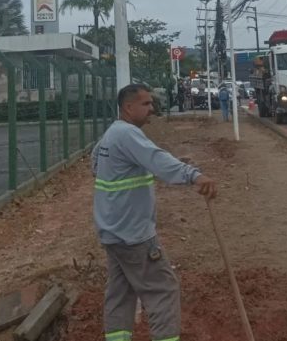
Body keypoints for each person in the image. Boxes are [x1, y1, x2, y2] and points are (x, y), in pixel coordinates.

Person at [91, 84, 217, 341]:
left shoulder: (111, 134)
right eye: (146, 104)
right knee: (163, 289)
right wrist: (193, 175)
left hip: (112, 232)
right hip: (133, 234)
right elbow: (157, 159)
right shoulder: (127, 134)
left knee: (120, 293)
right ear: (128, 107)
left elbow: (96, 165)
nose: (152, 109)